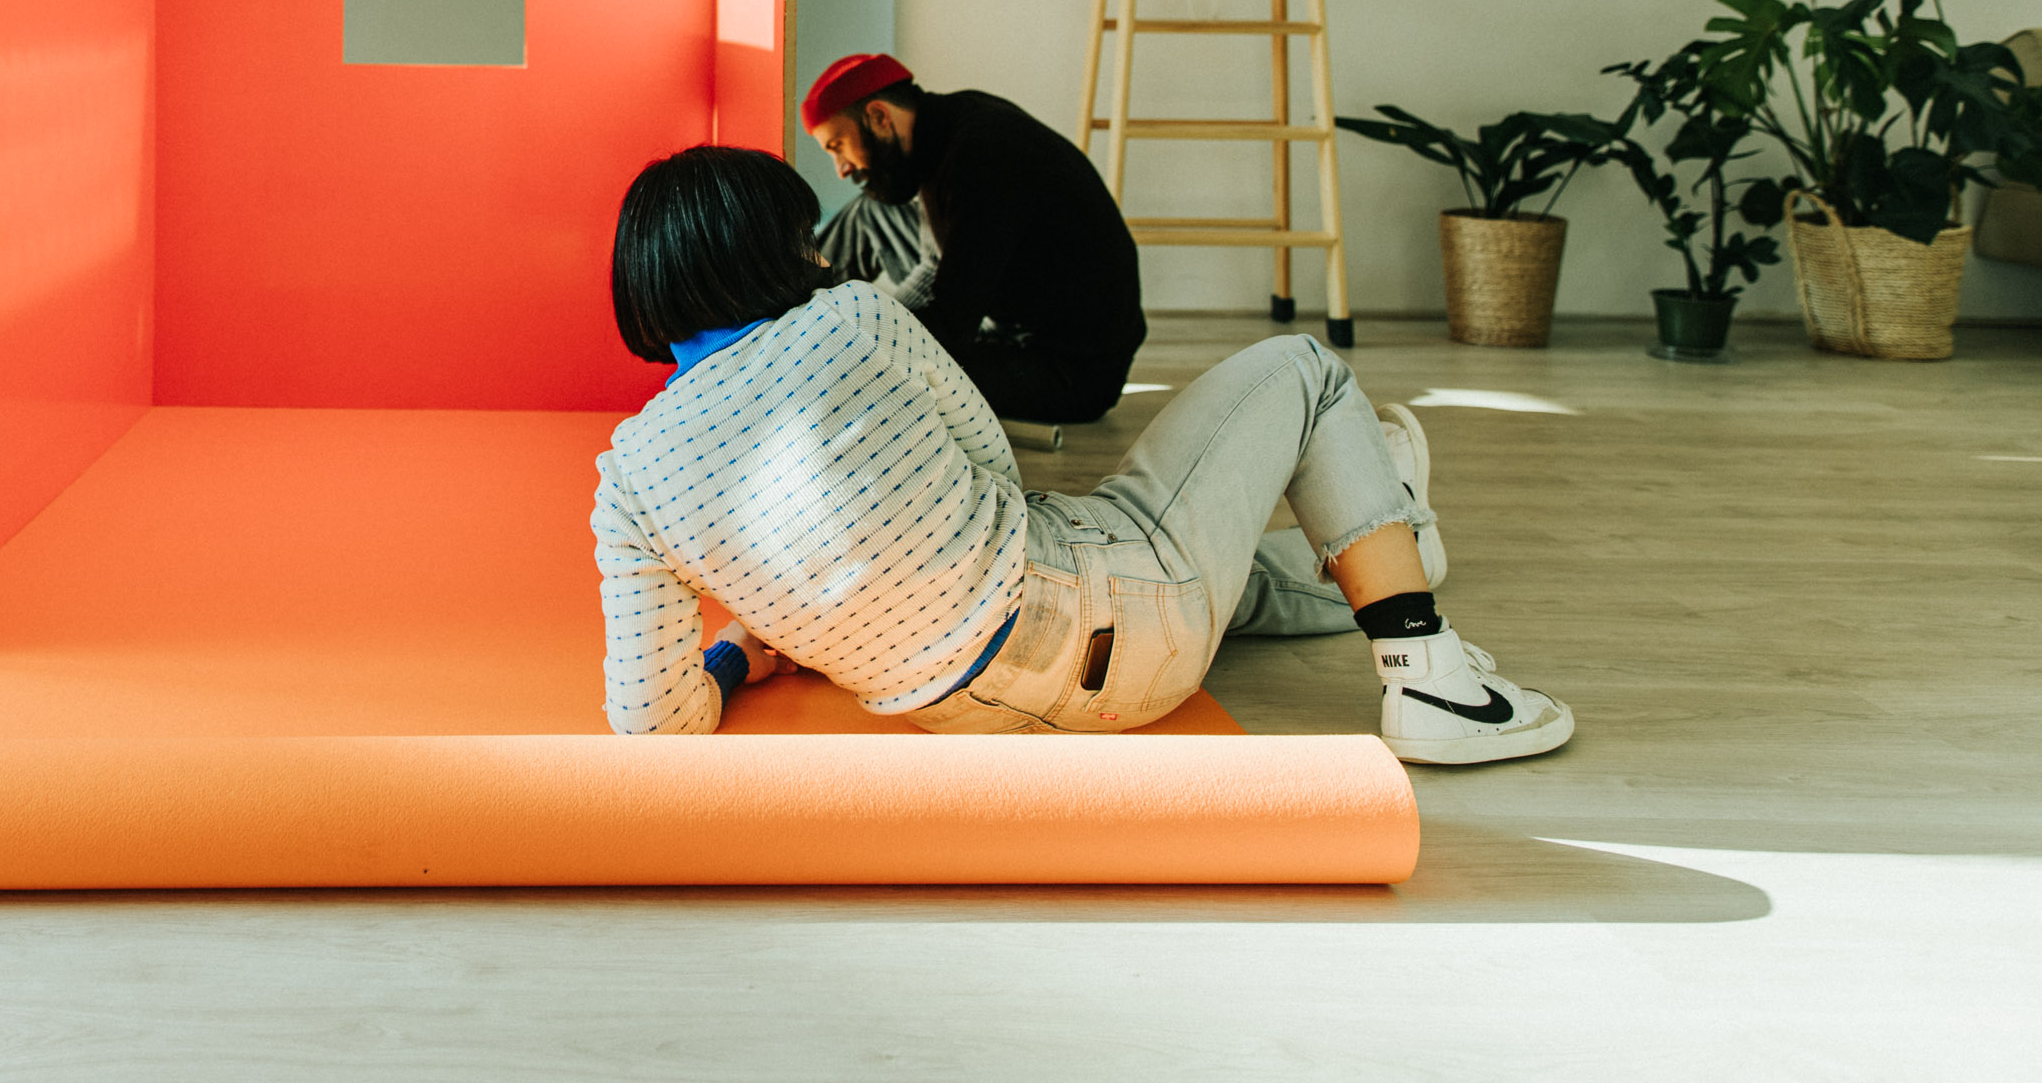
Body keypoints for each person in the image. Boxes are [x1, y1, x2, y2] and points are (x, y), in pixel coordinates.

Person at [591, 145, 1573, 764]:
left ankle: (1396, 544)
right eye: (805, 240)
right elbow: (993, 469)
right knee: (1303, 370)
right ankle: (1431, 674)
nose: (820, 257)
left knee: (1214, 574)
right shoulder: (849, 316)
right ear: (768, 252)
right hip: (1119, 617)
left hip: (981, 723)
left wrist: (743, 650)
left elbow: (650, 721)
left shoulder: (629, 475)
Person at [802, 53, 1145, 431]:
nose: (841, 169)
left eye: (838, 146)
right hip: (1010, 320)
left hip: (1070, 372)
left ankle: (798, 338)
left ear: (879, 117)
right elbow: (938, 270)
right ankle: (791, 311)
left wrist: (860, 344)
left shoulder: (982, 155)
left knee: (874, 374)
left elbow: (952, 323)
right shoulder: (948, 129)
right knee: (869, 214)